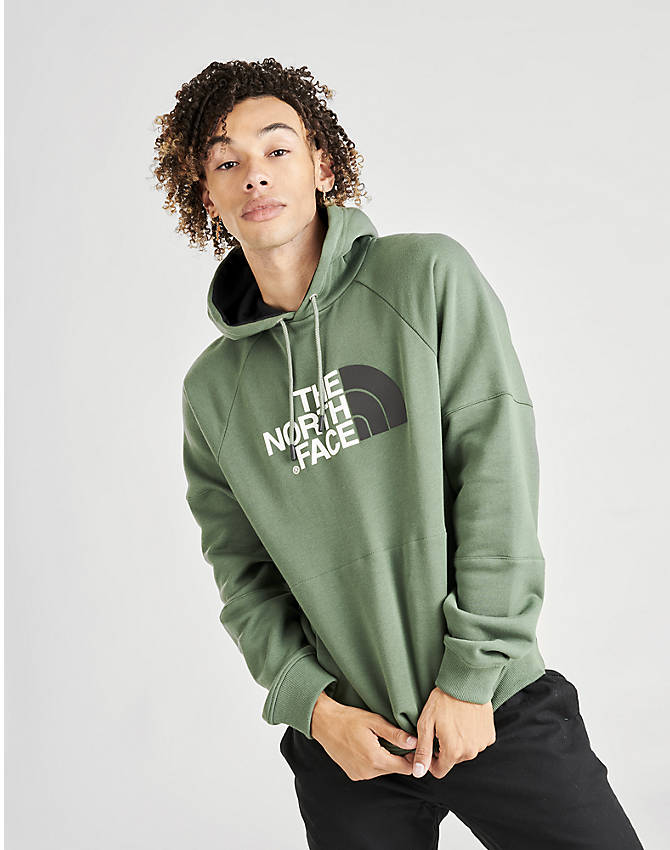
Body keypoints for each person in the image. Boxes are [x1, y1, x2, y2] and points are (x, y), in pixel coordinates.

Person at [152, 58, 645, 849]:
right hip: (348, 744)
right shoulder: (213, 391)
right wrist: (316, 710)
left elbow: (495, 476)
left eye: (277, 149)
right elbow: (242, 576)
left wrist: (471, 676)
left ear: (323, 164)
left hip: (491, 704)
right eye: (226, 161)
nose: (255, 175)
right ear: (206, 195)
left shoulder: (425, 277)